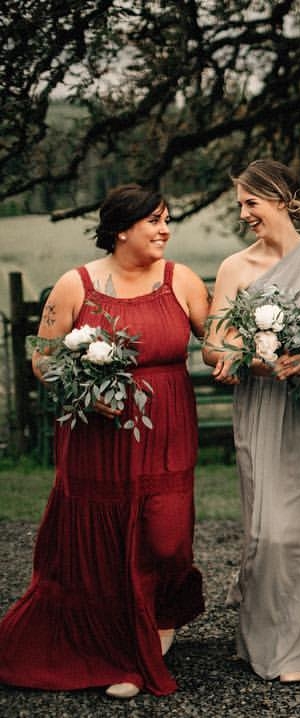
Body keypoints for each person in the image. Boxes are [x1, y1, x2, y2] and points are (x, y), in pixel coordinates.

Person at [0, 185, 209, 698]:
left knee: (167, 536)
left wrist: (245, 355)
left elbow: (216, 339)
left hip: (167, 427)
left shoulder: (180, 279)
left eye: (167, 219)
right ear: (121, 229)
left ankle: (161, 617)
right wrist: (84, 392)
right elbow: (43, 359)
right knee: (101, 546)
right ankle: (119, 648)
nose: (165, 229)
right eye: (154, 221)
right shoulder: (77, 285)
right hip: (97, 437)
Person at [203, 159, 300, 683]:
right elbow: (212, 343)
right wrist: (252, 358)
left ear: (282, 199)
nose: (244, 214)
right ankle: (263, 641)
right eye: (240, 205)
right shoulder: (234, 267)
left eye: (251, 203)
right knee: (267, 532)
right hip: (260, 403)